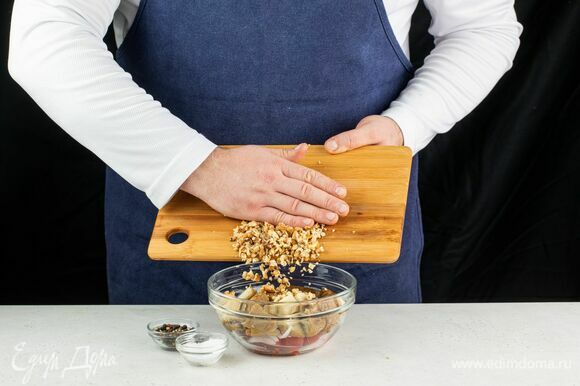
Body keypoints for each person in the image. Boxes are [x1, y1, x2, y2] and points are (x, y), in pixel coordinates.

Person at [8, 0, 522, 304]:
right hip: (173, 244)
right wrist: (198, 166)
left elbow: (483, 26)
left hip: (358, 236)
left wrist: (406, 124)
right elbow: (43, 39)